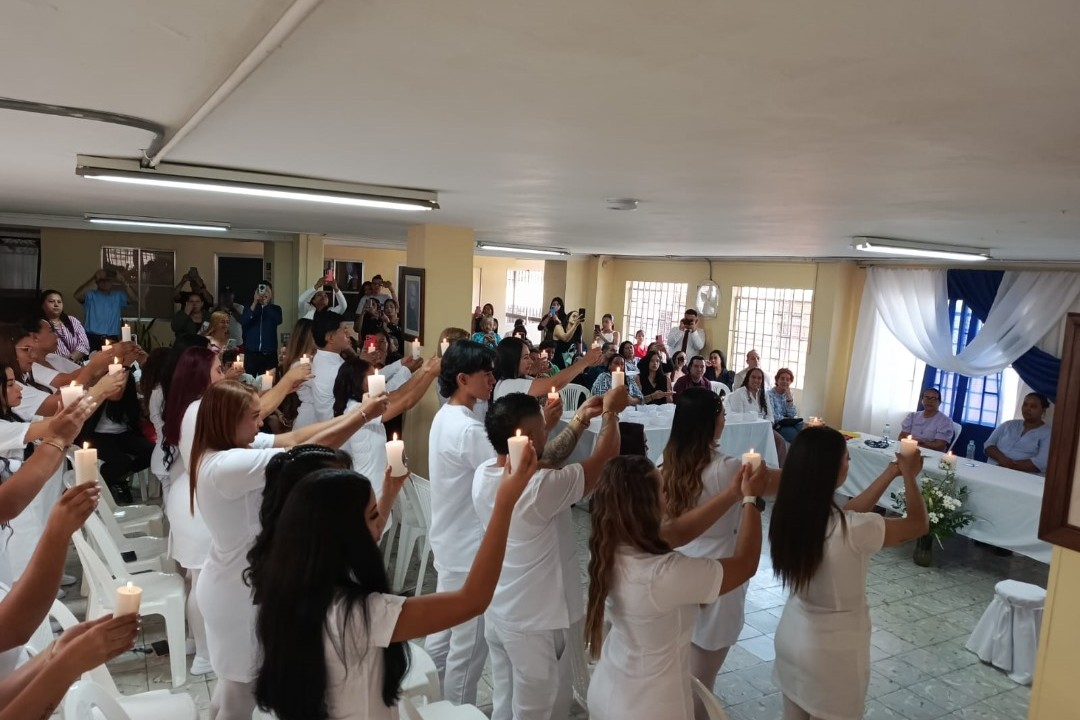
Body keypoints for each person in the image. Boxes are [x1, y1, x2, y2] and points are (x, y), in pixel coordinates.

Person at [253, 432, 538, 720]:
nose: (380, 526)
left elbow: (362, 539)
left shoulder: (290, 579)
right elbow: (472, 600)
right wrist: (503, 504)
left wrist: (387, 495)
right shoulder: (359, 615)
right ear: (344, 533)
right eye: (373, 515)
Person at [191, 380, 390, 720]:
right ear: (227, 420)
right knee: (239, 699)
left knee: (230, 690)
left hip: (235, 581)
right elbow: (305, 456)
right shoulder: (227, 466)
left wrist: (357, 412)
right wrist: (362, 417)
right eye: (254, 417)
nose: (260, 424)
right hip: (237, 594)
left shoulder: (228, 449)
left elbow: (296, 438)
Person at [472, 388, 626, 720]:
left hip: (500, 612)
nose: (549, 430)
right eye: (543, 427)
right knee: (541, 710)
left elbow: (546, 459)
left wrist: (582, 420)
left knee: (505, 699)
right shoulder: (540, 487)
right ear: (527, 439)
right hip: (536, 624)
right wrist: (613, 414)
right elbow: (604, 461)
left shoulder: (484, 474)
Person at [584, 454, 767, 720]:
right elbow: (746, 564)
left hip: (609, 687)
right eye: (661, 488)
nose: (668, 492)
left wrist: (731, 494)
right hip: (650, 706)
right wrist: (753, 501)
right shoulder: (664, 574)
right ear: (645, 506)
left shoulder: (608, 544)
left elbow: (678, 533)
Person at [770, 428, 928, 720]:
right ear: (830, 469)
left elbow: (846, 514)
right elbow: (917, 525)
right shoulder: (855, 529)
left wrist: (891, 472)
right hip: (833, 652)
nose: (849, 463)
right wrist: (909, 476)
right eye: (847, 458)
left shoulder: (790, 514)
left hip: (793, 635)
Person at [659, 389, 782, 717]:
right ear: (710, 423)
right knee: (701, 682)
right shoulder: (728, 470)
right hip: (719, 577)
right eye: (722, 414)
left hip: (680, 575)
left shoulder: (665, 463)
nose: (725, 419)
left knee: (680, 673)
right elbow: (784, 483)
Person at [425, 340, 499, 704]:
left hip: (450, 540)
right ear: (461, 378)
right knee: (468, 650)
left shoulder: (447, 415)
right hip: (469, 550)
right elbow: (501, 476)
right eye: (484, 373)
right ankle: (456, 711)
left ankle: (430, 706)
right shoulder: (468, 430)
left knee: (442, 636)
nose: (491, 378)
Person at [333, 354, 441, 484]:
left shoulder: (363, 402)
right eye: (372, 376)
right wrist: (431, 375)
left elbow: (399, 393)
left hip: (378, 477)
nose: (378, 379)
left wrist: (423, 370)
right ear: (357, 381)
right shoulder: (358, 409)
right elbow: (406, 402)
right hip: (371, 482)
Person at [74, 370, 151, 504]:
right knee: (121, 461)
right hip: (98, 436)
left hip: (122, 434)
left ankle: (119, 479)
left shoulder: (129, 399)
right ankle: (109, 482)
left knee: (151, 451)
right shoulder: (99, 397)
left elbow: (134, 420)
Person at [492, 336, 603, 400]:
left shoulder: (518, 379)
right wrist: (584, 362)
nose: (531, 361)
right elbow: (553, 384)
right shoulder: (507, 385)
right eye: (526, 357)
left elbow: (558, 380)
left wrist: (531, 372)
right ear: (512, 360)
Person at [294, 311, 353, 429]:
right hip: (329, 427)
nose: (349, 334)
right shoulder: (331, 368)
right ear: (330, 338)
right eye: (344, 330)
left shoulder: (327, 358)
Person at [984, 392, 1052, 475]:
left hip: (1022, 478)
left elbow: (1041, 462)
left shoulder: (1047, 433)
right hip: (993, 471)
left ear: (1043, 410)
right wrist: (1002, 459)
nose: (1027, 409)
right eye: (1025, 404)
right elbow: (988, 445)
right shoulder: (1008, 425)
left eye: (1033, 406)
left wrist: (1009, 466)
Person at [73, 268, 134, 350]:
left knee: (113, 363)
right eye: (102, 280)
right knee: (90, 362)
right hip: (92, 338)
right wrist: (94, 278)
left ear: (112, 282)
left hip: (112, 338)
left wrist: (124, 281)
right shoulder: (90, 295)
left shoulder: (118, 296)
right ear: (97, 282)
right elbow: (77, 295)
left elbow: (134, 299)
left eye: (108, 280)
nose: (105, 282)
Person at [241, 281, 283, 377]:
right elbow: (244, 320)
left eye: (267, 291)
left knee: (269, 384)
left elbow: (278, 320)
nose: (264, 293)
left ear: (271, 293)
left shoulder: (276, 308)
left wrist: (266, 305)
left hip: (269, 354)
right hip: (251, 354)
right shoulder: (249, 307)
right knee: (249, 383)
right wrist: (255, 302)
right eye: (261, 290)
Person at [39, 290, 89, 362]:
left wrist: (71, 359)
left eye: (59, 302)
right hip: (51, 367)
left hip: (74, 365)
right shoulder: (40, 325)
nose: (56, 304)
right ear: (42, 305)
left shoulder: (72, 321)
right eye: (51, 301)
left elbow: (84, 344)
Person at [767, 368, 804, 443]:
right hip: (777, 425)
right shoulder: (769, 394)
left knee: (806, 429)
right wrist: (786, 418)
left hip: (788, 422)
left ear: (790, 382)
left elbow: (793, 414)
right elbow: (773, 416)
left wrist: (789, 397)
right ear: (777, 380)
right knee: (793, 433)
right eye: (782, 378)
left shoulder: (789, 394)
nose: (785, 381)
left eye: (788, 379)